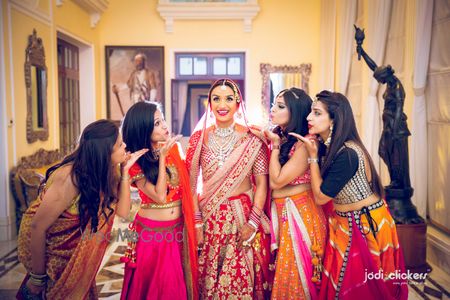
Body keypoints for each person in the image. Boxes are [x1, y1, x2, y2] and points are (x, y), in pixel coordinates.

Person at [290, 90, 408, 300]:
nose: (309, 118)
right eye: (310, 112)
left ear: (335, 119)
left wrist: (313, 158)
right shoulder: (333, 148)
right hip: (346, 224)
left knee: (360, 291)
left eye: (317, 113)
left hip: (365, 226)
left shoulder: (348, 154)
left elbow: (320, 197)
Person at [17, 119, 148, 300]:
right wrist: (38, 279)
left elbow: (123, 211)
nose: (125, 146)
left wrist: (125, 171)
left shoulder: (108, 171)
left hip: (77, 260)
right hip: (53, 260)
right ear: (104, 152)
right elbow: (37, 227)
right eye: (119, 144)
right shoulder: (70, 178)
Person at [185, 79, 272, 299]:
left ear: (237, 103)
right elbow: (191, 182)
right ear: (210, 104)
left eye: (228, 98)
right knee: (209, 279)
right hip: (209, 218)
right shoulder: (199, 139)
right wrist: (197, 223)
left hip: (240, 218)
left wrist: (253, 222)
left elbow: (262, 183)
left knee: (240, 280)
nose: (222, 104)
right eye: (216, 98)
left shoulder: (253, 139)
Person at [120, 102, 199, 300]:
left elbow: (188, 186)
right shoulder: (135, 161)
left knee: (174, 288)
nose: (164, 125)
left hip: (177, 230)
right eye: (157, 123)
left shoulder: (175, 149)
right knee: (154, 289)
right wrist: (162, 158)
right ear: (143, 128)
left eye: (162, 119)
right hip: (152, 236)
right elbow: (160, 196)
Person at [263, 88, 327, 299]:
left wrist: (273, 147)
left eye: (281, 106)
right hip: (283, 213)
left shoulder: (307, 142)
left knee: (297, 276)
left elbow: (277, 180)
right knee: (283, 272)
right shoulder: (282, 136)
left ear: (296, 112)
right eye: (274, 104)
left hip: (300, 214)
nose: (273, 109)